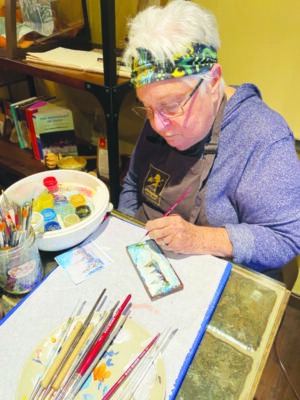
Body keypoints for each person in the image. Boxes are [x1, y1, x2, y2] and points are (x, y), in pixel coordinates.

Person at [118, 0, 300, 280]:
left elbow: (285, 239)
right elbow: (132, 184)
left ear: (213, 81)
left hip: (221, 278)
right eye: (149, 108)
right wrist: (126, 245)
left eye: (170, 106)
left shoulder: (264, 136)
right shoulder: (159, 115)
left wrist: (199, 239)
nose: (158, 124)